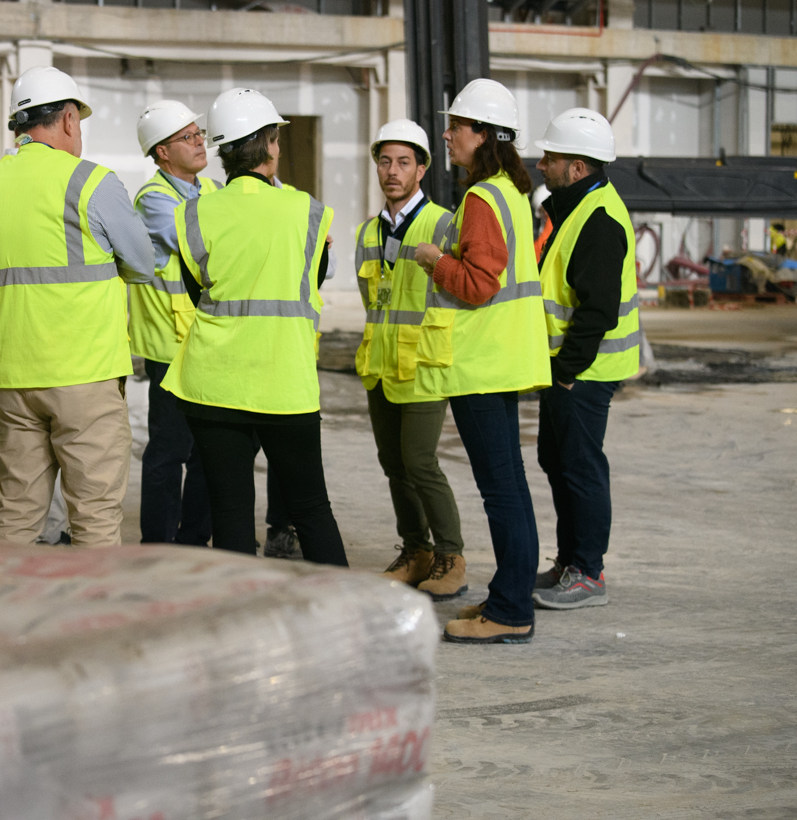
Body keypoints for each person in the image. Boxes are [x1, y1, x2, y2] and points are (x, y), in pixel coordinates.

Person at [0, 66, 154, 547]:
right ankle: (88, 621)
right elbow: (142, 264)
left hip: (13, 377)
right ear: (69, 120)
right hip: (83, 375)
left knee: (17, 511)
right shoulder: (92, 182)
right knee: (95, 516)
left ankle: (5, 610)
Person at [162, 87, 348, 567]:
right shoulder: (307, 212)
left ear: (223, 152)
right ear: (269, 144)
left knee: (230, 511)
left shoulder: (195, 213)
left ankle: (237, 617)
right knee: (310, 508)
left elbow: (194, 286)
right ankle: (351, 621)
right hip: (285, 382)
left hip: (214, 381)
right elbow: (314, 279)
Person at [410, 78, 550, 643]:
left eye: (457, 126)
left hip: (484, 366)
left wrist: (433, 259)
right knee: (509, 487)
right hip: (502, 360)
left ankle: (512, 611)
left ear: (484, 135)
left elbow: (478, 283)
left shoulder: (481, 198)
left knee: (502, 491)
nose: (447, 134)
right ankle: (507, 597)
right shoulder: (509, 192)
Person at [531, 108, 640, 610]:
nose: (541, 165)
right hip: (568, 369)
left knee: (580, 467)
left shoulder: (597, 219)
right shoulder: (576, 208)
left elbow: (597, 309)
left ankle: (589, 571)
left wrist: (567, 372)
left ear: (577, 167)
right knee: (558, 462)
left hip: (585, 372)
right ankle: (570, 560)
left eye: (550, 158)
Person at [356, 120, 465, 598]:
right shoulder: (367, 232)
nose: (392, 172)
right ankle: (415, 550)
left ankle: (450, 554)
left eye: (404, 162)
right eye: (385, 161)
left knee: (420, 462)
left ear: (422, 168)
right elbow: (371, 299)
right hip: (381, 365)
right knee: (392, 463)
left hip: (424, 363)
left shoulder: (444, 223)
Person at [131, 100, 217, 546]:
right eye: (188, 137)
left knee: (207, 453)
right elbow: (202, 244)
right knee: (168, 453)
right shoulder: (154, 201)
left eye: (199, 133)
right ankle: (158, 547)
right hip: (170, 348)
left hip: (210, 343)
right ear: (162, 152)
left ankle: (194, 541)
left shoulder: (214, 192)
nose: (201, 141)